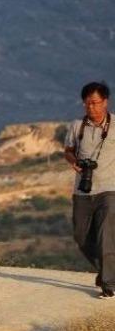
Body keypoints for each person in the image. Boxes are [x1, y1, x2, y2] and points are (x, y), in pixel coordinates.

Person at [63, 81, 115, 299]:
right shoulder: (77, 126)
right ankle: (107, 270)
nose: (90, 107)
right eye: (86, 103)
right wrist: (74, 162)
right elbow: (68, 150)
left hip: (109, 189)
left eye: (94, 103)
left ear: (105, 102)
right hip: (82, 190)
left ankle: (109, 284)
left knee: (105, 237)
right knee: (80, 236)